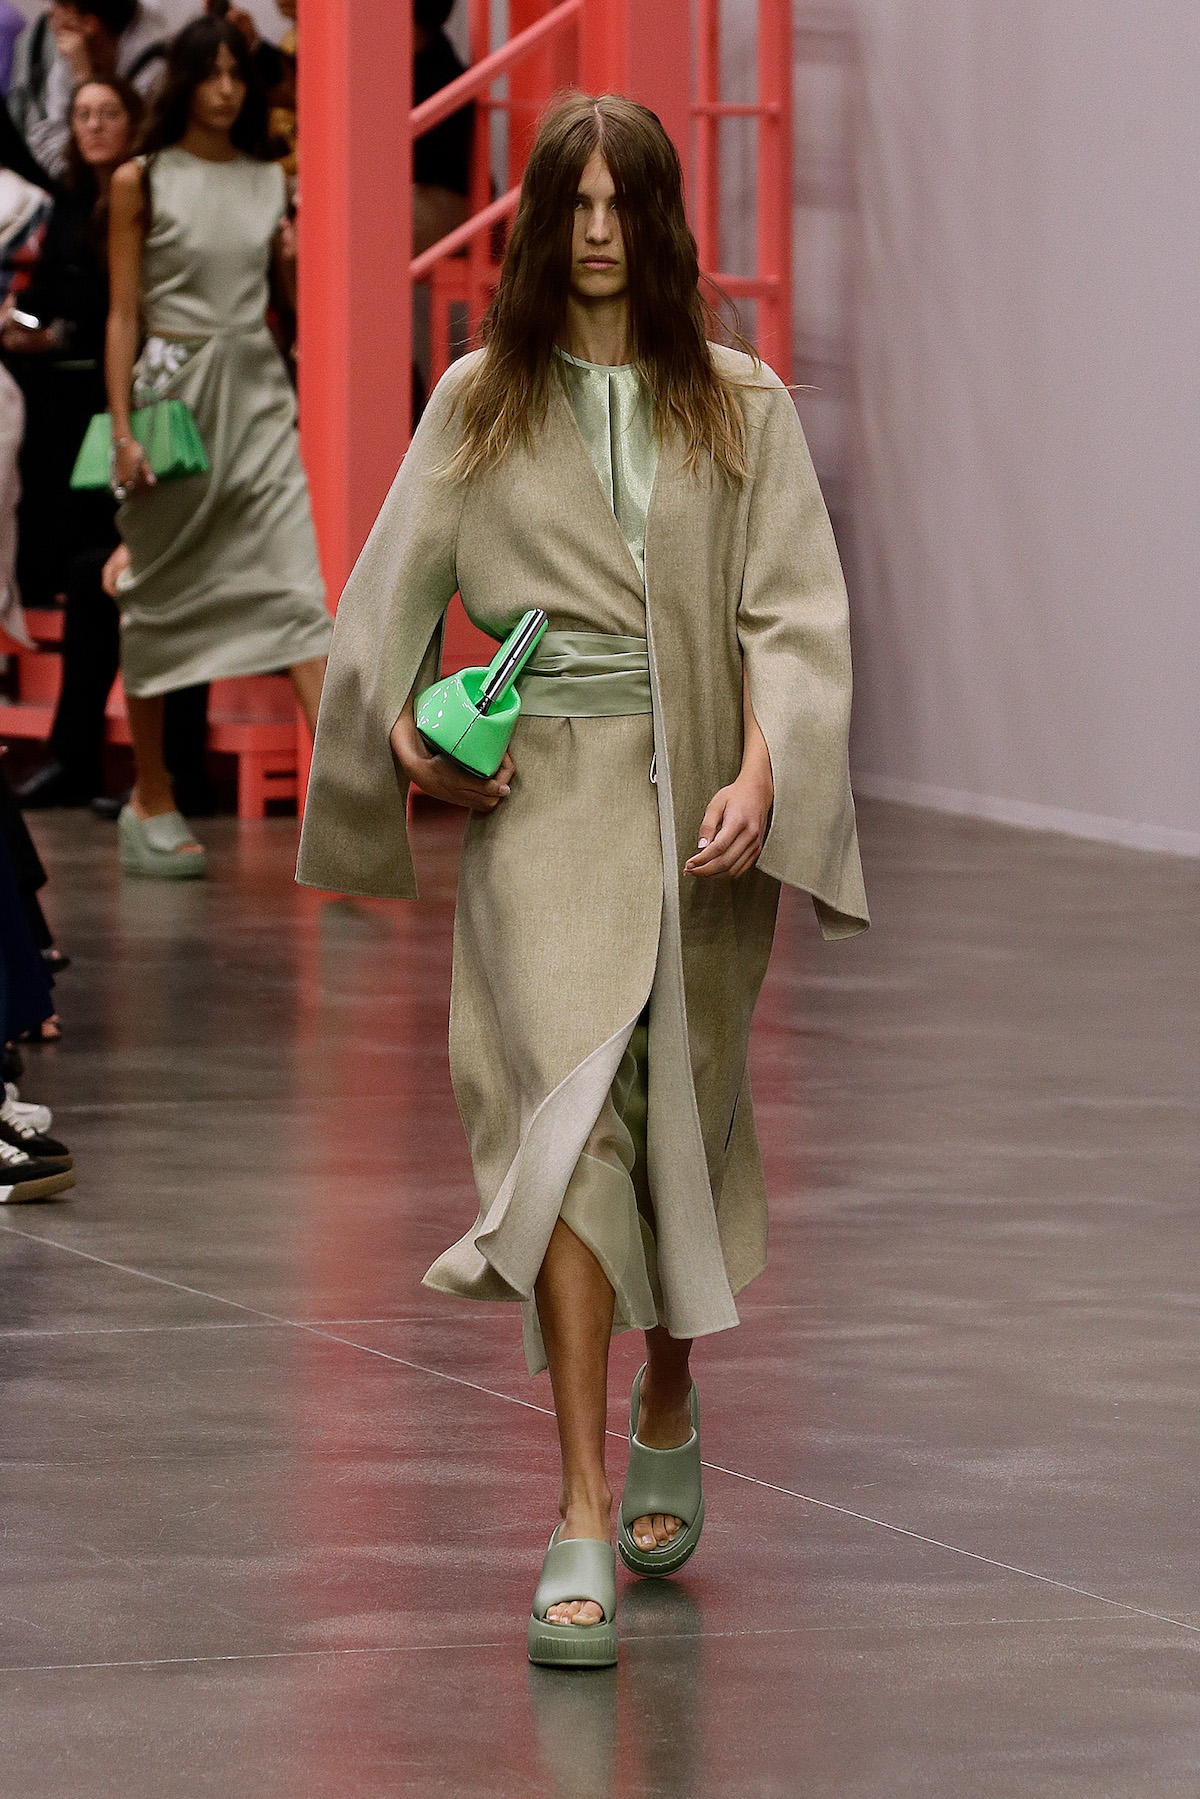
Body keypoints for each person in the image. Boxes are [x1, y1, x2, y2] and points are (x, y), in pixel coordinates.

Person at [297, 93, 869, 1668]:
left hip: (701, 819)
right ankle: (572, 1500)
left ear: (662, 221)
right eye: (576, 204)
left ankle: (670, 1374)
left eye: (627, 204)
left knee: (683, 1108)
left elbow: (795, 616)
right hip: (545, 802)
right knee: (568, 1122)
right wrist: (412, 747)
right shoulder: (481, 400)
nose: (601, 232)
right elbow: (387, 602)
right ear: (543, 221)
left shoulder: (738, 403)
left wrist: (766, 770)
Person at [105, 14, 331, 879]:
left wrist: (297, 259)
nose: (228, 90)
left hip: (259, 396)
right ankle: (150, 793)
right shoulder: (142, 179)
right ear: (185, 82)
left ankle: (342, 804)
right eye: (211, 74)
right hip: (173, 404)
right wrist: (122, 430)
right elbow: (122, 315)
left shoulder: (270, 179)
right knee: (157, 595)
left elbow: (289, 306)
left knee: (296, 591)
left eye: (239, 73)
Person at [8, 75, 211, 810]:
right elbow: (49, 303)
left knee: (157, 580)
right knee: (93, 577)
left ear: (134, 122)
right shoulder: (68, 205)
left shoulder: (154, 205)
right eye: (82, 115)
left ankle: (179, 771)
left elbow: (133, 312)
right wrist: (28, 326)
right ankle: (78, 759)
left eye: (108, 113)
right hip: (106, 411)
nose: (93, 126)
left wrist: (67, 333)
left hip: (168, 412)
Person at [8, 0, 168, 179]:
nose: (50, 15)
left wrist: (83, 78)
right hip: (77, 184)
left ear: (88, 24)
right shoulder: (71, 52)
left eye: (60, 6)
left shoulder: (154, 67)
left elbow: (131, 146)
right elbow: (51, 139)